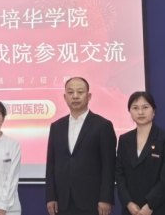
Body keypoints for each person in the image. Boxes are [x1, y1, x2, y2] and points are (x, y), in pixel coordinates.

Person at [45, 77, 117, 215]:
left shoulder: (103, 126)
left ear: (89, 96)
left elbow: (109, 166)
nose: (75, 96)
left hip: (93, 201)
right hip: (62, 201)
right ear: (65, 97)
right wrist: (50, 196)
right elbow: (51, 165)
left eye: (80, 92)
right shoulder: (57, 127)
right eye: (70, 92)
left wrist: (105, 198)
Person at [115, 92, 165, 215]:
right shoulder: (124, 139)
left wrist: (150, 205)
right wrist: (128, 202)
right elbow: (119, 174)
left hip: (158, 208)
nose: (140, 112)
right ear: (129, 112)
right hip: (131, 209)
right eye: (135, 108)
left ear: (154, 111)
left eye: (145, 107)